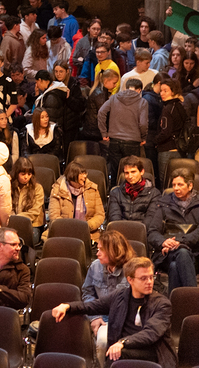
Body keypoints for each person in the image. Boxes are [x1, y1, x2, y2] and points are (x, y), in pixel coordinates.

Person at [52, 257, 174, 368]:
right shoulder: (119, 296)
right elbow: (93, 306)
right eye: (143, 278)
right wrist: (68, 306)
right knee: (115, 353)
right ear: (130, 280)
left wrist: (123, 342)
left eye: (151, 277)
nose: (149, 282)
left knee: (116, 354)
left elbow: (151, 333)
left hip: (153, 352)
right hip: (124, 348)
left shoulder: (162, 304)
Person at [82, 230, 135, 366]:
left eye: (101, 250)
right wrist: (95, 317)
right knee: (102, 341)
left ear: (113, 251)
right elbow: (88, 293)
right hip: (104, 319)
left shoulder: (132, 269)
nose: (97, 253)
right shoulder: (95, 267)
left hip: (127, 321)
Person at [146, 167, 199, 297]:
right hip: (167, 254)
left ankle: (174, 306)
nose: (176, 188)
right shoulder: (164, 203)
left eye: (180, 185)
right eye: (174, 185)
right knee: (182, 254)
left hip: (195, 254)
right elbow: (152, 232)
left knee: (176, 266)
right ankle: (194, 301)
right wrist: (163, 242)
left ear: (190, 186)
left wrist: (179, 242)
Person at [98, 77, 148, 179]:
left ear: (126, 87)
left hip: (114, 140)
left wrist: (104, 132)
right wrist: (143, 137)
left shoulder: (114, 98)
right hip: (133, 141)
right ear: (139, 90)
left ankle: (114, 189)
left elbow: (101, 112)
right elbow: (143, 123)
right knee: (131, 172)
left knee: (115, 173)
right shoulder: (142, 102)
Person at [48, 161, 105, 242]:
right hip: (62, 232)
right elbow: (54, 216)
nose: (84, 177)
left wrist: (85, 227)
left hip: (88, 232)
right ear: (72, 177)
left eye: (85, 174)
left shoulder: (92, 189)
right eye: (81, 175)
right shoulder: (57, 190)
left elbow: (100, 215)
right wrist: (72, 229)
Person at [152, 78, 187, 187]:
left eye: (165, 91)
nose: (162, 93)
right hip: (180, 149)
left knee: (166, 184)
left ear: (173, 91)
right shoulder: (180, 105)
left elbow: (165, 132)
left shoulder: (167, 109)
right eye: (161, 90)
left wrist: (154, 141)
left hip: (167, 150)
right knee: (178, 182)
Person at [108, 155, 160, 223]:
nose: (130, 176)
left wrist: (137, 229)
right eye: (126, 173)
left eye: (133, 172)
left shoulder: (154, 194)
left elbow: (151, 219)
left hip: (143, 229)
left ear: (142, 172)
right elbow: (115, 217)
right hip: (121, 228)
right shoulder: (115, 192)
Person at [10, 157, 45, 244]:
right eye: (23, 174)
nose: (26, 177)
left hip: (32, 225)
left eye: (29, 174)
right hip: (11, 223)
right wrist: (13, 219)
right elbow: (6, 207)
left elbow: (35, 211)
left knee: (30, 238)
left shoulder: (37, 188)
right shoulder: (9, 185)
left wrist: (17, 219)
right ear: (16, 173)